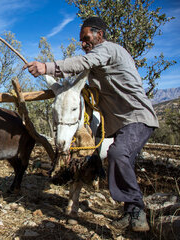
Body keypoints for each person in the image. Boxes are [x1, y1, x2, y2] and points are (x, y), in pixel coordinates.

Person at [23, 16, 158, 232]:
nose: (83, 43)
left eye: (86, 38)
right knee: (124, 162)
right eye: (81, 40)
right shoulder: (97, 63)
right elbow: (79, 75)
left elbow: (82, 63)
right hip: (122, 123)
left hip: (137, 117)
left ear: (99, 35)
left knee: (117, 154)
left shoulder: (108, 50)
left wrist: (46, 67)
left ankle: (138, 209)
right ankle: (129, 211)